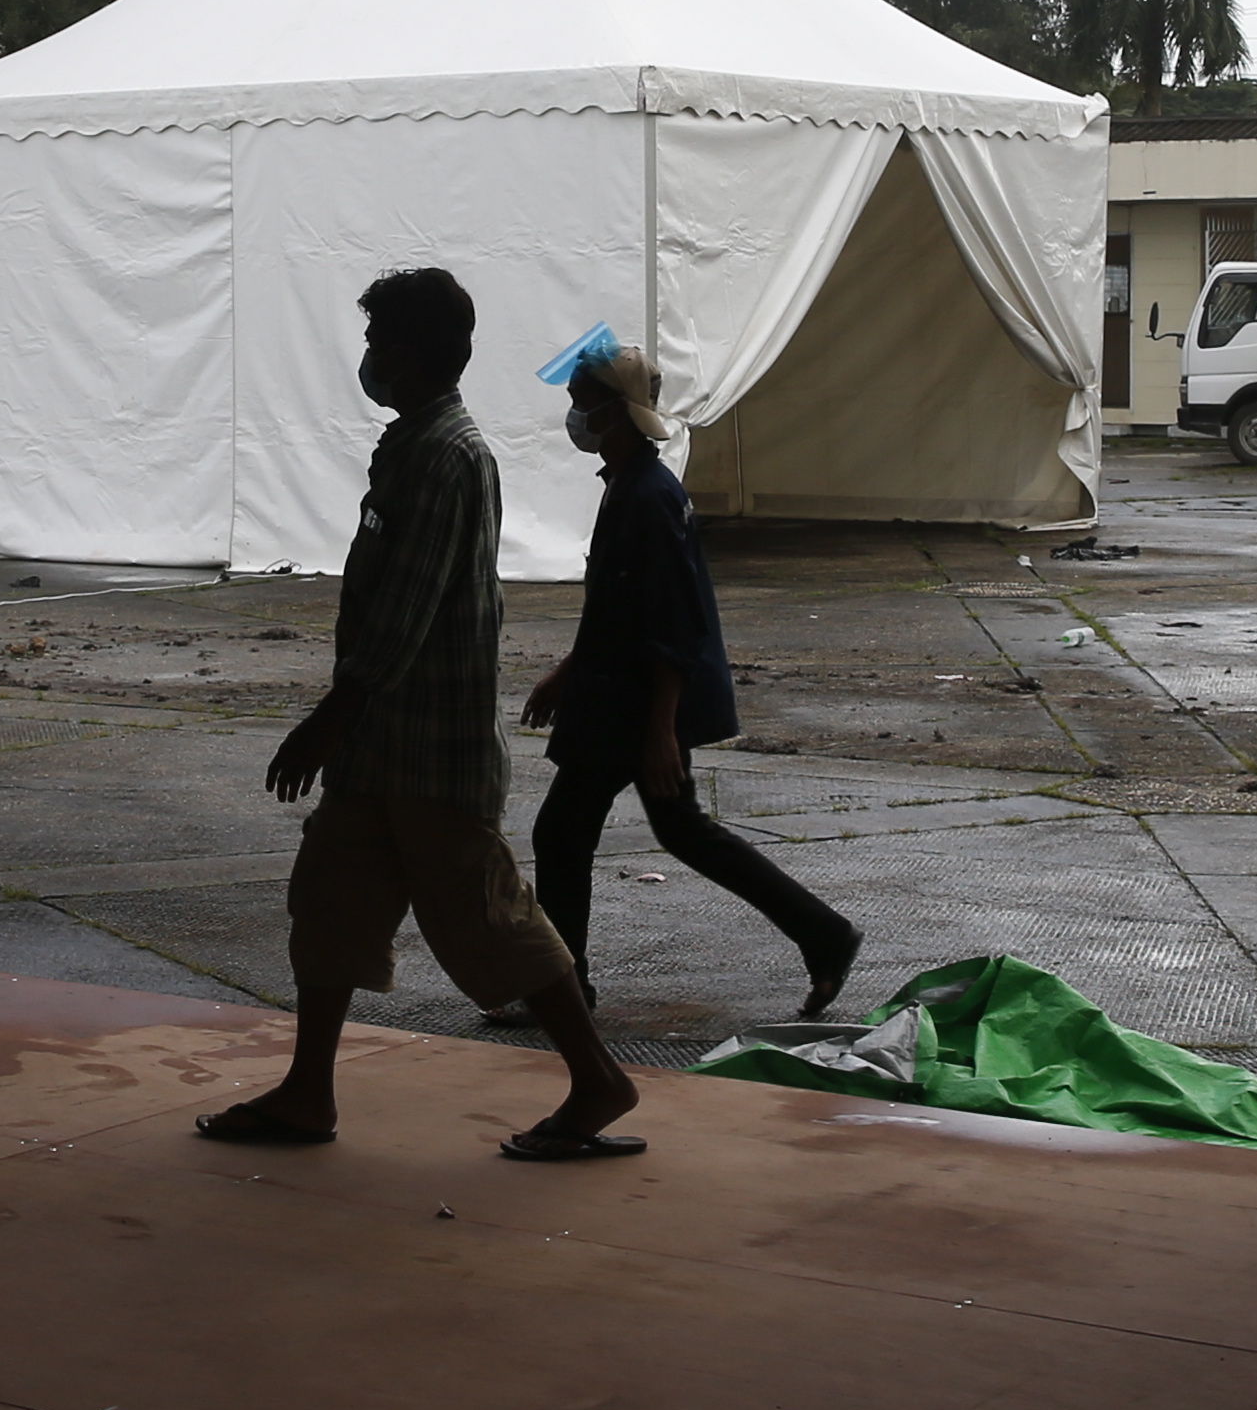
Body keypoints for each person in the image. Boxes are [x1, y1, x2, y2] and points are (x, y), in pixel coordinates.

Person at [200, 267, 644, 1162]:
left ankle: (597, 1076)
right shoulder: (412, 445)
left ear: (411, 351)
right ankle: (307, 1090)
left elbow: (402, 616)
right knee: (328, 908)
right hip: (380, 754)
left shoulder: (446, 454)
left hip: (430, 754)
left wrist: (326, 719)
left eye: (375, 342)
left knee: (493, 920)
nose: (366, 358)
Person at [515, 345, 862, 1020]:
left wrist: (660, 733)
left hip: (631, 707)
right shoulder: (628, 483)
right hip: (617, 696)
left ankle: (563, 990)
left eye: (582, 401)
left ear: (614, 411)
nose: (574, 414)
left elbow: (672, 627)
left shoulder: (647, 496)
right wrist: (568, 671)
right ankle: (824, 933)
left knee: (561, 833)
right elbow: (617, 606)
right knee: (678, 833)